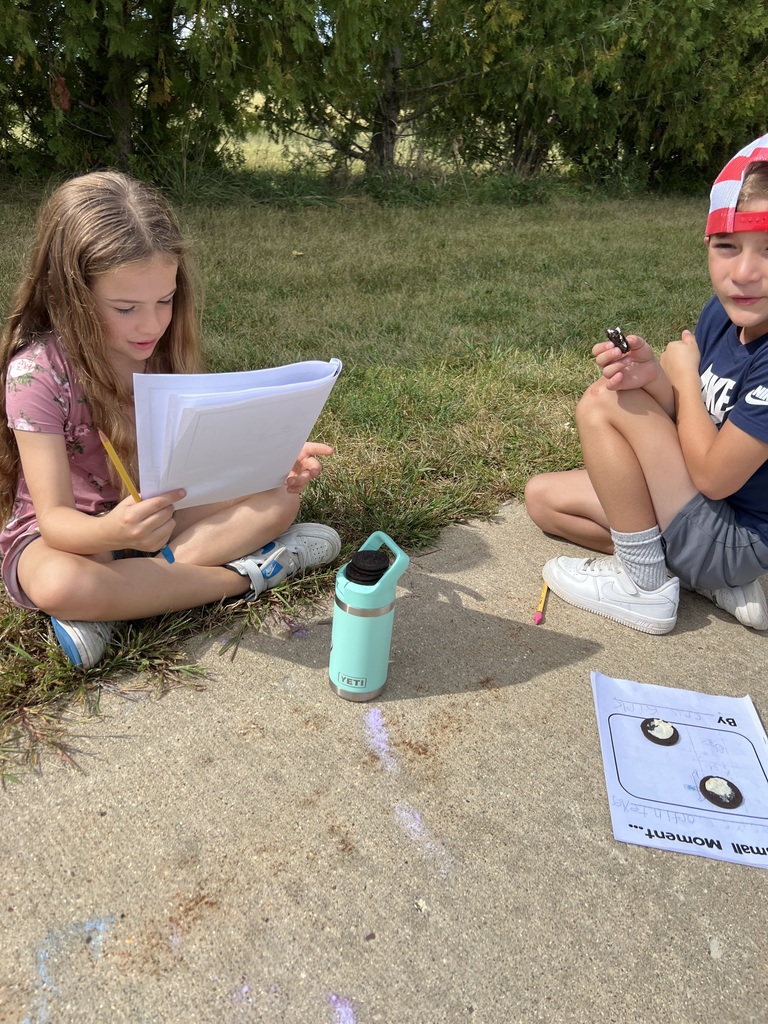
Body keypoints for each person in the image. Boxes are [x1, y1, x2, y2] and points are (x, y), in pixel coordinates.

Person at [0, 171, 341, 669]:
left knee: (278, 500)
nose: (151, 324)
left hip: (158, 510)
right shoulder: (35, 376)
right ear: (70, 295)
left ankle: (123, 599)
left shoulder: (162, 352)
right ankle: (254, 574)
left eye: (165, 300)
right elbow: (55, 521)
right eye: (125, 307)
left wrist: (270, 464)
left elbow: (199, 466)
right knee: (62, 582)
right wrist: (114, 534)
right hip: (75, 539)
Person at [525, 132, 768, 635]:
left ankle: (645, 590)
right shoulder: (722, 316)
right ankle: (691, 577)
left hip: (738, 535)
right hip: (704, 511)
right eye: (727, 246)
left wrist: (680, 371)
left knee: (602, 402)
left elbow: (714, 477)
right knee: (542, 498)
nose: (744, 272)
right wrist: (656, 378)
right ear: (708, 244)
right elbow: (694, 414)